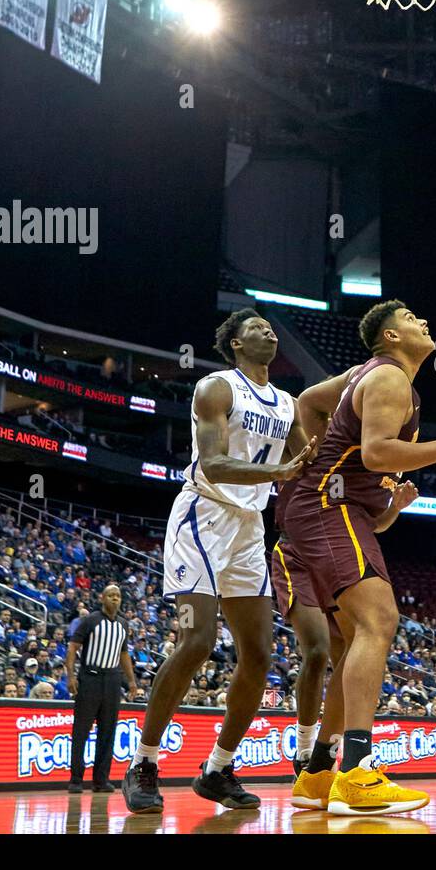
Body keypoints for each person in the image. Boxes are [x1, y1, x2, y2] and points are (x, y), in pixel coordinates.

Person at [281, 300, 436, 815]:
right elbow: (376, 453)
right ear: (391, 337)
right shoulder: (390, 377)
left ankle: (315, 775)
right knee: (381, 620)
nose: (424, 321)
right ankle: (356, 771)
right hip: (328, 508)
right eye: (411, 319)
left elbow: (307, 402)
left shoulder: (366, 375)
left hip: (325, 508)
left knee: (356, 639)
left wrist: (318, 461)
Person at [123, 310, 317, 814]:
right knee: (198, 640)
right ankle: (144, 761)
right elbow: (212, 462)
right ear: (235, 344)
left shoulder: (289, 404)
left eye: (272, 329)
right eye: (256, 328)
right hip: (202, 519)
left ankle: (217, 768)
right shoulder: (216, 388)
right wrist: (282, 470)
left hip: (251, 528)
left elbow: (310, 466)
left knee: (259, 656)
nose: (269, 332)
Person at [68, 584, 138, 793]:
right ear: (102, 598)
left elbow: (124, 654)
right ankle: (76, 779)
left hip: (113, 679)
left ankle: (101, 780)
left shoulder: (123, 625)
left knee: (108, 731)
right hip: (90, 677)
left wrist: (132, 681)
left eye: (118, 595)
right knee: (81, 729)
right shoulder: (90, 620)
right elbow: (73, 647)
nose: (115, 599)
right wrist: (71, 675)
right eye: (111, 595)